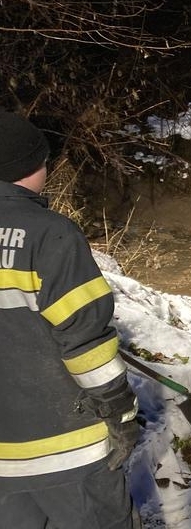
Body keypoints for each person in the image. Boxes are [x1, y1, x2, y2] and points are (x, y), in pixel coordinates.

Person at [0, 112, 141, 529]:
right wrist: (119, 409)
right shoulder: (50, 235)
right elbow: (86, 343)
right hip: (66, 452)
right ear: (34, 166)